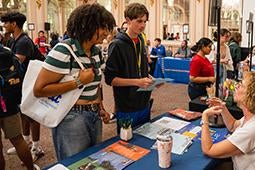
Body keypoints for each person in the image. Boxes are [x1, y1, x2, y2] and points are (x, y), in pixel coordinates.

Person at [33, 3, 115, 160]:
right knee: (74, 163)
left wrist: (100, 107)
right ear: (88, 25)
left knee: (93, 161)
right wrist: (78, 81)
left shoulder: (96, 52)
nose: (106, 33)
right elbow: (39, 89)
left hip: (94, 114)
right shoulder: (63, 50)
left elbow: (96, 84)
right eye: (103, 27)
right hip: (71, 117)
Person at [201, 72, 255, 170]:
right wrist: (223, 108)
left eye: (241, 85)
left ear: (251, 95)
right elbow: (233, 126)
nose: (236, 86)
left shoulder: (253, 128)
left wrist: (204, 117)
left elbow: (209, 150)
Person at [1, 11, 45, 162]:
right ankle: (26, 141)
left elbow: (13, 64)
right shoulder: (13, 40)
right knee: (24, 113)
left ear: (14, 24)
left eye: (6, 22)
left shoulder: (24, 41)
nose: (4, 25)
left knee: (32, 115)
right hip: (21, 84)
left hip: (31, 83)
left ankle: (37, 147)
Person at [104, 3, 153, 132]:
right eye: (139, 21)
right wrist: (137, 82)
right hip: (127, 106)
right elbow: (110, 79)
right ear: (128, 20)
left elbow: (140, 68)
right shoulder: (116, 45)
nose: (142, 25)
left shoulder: (141, 40)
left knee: (145, 141)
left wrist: (147, 77)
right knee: (126, 146)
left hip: (144, 103)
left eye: (145, 22)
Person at [0, 45, 39, 170]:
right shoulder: (7, 52)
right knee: (18, 139)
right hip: (9, 103)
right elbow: (20, 72)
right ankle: (30, 168)